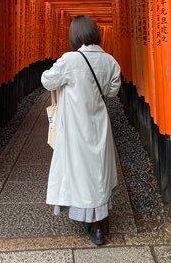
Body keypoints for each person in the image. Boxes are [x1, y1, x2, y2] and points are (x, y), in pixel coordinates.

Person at [41, 15, 121, 245]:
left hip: (76, 126)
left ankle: (94, 223)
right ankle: (101, 214)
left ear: (75, 35)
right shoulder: (109, 60)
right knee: (99, 169)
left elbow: (47, 81)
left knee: (81, 171)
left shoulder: (70, 60)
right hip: (99, 122)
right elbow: (113, 91)